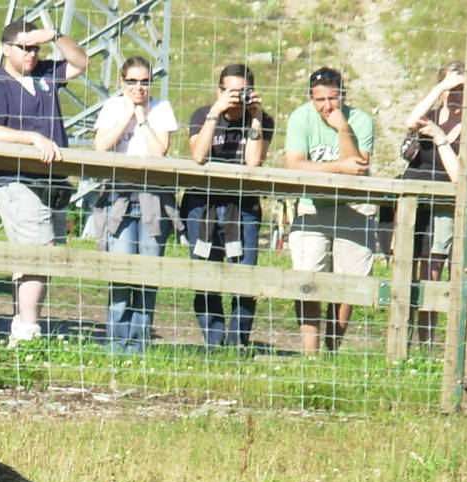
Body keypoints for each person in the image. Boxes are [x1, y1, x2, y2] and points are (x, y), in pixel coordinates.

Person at [0, 18, 89, 346]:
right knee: (40, 252)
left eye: (36, 48)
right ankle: (28, 331)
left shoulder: (44, 74)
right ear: (6, 49)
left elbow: (80, 63)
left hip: (51, 181)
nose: (31, 54)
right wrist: (31, 138)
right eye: (24, 48)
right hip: (15, 179)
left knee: (38, 255)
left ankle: (20, 325)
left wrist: (56, 36)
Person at [284, 65, 376, 354]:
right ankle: (310, 355)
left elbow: (358, 169)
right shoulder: (301, 118)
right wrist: (338, 167)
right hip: (312, 207)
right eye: (320, 100)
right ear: (311, 99)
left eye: (333, 98)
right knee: (308, 279)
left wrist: (343, 129)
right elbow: (295, 163)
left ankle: (332, 349)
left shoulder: (361, 121)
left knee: (348, 283)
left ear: (343, 96)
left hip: (353, 207)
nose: (327, 106)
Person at [181, 64, 272, 350]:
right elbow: (198, 155)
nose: (236, 98)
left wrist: (255, 121)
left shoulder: (262, 118)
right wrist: (215, 113)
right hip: (202, 204)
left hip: (242, 206)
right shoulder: (202, 114)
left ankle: (237, 344)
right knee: (203, 275)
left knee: (245, 277)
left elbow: (254, 162)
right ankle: (214, 342)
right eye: (230, 91)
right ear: (219, 90)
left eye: (242, 92)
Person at [91, 55, 177, 352]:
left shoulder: (161, 108)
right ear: (122, 82)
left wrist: (142, 119)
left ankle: (139, 345)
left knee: (147, 273)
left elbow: (159, 153)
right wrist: (126, 116)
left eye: (144, 82)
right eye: (132, 82)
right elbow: (101, 145)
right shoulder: (113, 107)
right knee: (121, 270)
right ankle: (116, 343)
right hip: (118, 197)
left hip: (153, 197)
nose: (139, 88)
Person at [400, 62, 465, 345]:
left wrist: (439, 138)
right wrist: (440, 87)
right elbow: (411, 122)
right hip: (412, 203)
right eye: (453, 88)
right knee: (403, 268)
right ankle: (401, 339)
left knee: (432, 274)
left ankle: (425, 343)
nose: (457, 94)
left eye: (462, 88)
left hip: (442, 206)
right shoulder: (432, 115)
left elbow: (459, 176)